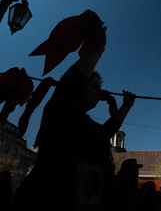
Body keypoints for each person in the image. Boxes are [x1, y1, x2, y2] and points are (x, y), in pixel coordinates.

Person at [10, 22, 136, 211]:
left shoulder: (86, 123)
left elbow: (106, 131)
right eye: (93, 86)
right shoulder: (61, 108)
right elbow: (69, 83)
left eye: (99, 89)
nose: (98, 93)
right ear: (78, 86)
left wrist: (126, 106)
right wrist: (98, 48)